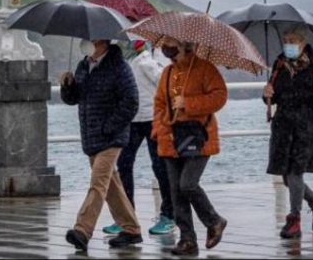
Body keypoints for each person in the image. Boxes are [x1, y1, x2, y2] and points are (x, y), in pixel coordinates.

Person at [262, 24, 313, 239]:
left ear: (303, 43)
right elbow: (274, 98)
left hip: (306, 129)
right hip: (282, 127)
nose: (288, 45)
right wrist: (267, 94)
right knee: (287, 177)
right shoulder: (279, 65)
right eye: (286, 41)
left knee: (295, 173)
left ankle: (294, 219)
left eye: (293, 41)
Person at [60, 39, 143, 251]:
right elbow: (75, 99)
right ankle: (131, 229)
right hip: (91, 137)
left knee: (98, 183)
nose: (86, 43)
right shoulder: (83, 66)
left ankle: (82, 230)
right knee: (111, 186)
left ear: (104, 42)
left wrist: (110, 126)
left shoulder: (119, 67)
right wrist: (67, 86)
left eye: (92, 40)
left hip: (111, 137)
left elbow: (131, 101)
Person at [152, 36, 229, 256]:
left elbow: (220, 97)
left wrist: (189, 103)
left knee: (188, 184)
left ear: (185, 45)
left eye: (170, 43)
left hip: (199, 138)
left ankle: (214, 220)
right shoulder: (167, 73)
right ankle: (187, 240)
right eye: (164, 42)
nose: (165, 46)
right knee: (176, 192)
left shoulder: (205, 69)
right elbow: (158, 103)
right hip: (170, 139)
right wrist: (159, 129)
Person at [102, 40, 176, 236]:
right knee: (124, 165)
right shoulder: (123, 63)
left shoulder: (145, 62)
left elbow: (164, 83)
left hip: (153, 119)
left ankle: (169, 215)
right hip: (132, 120)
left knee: (159, 167)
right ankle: (126, 215)